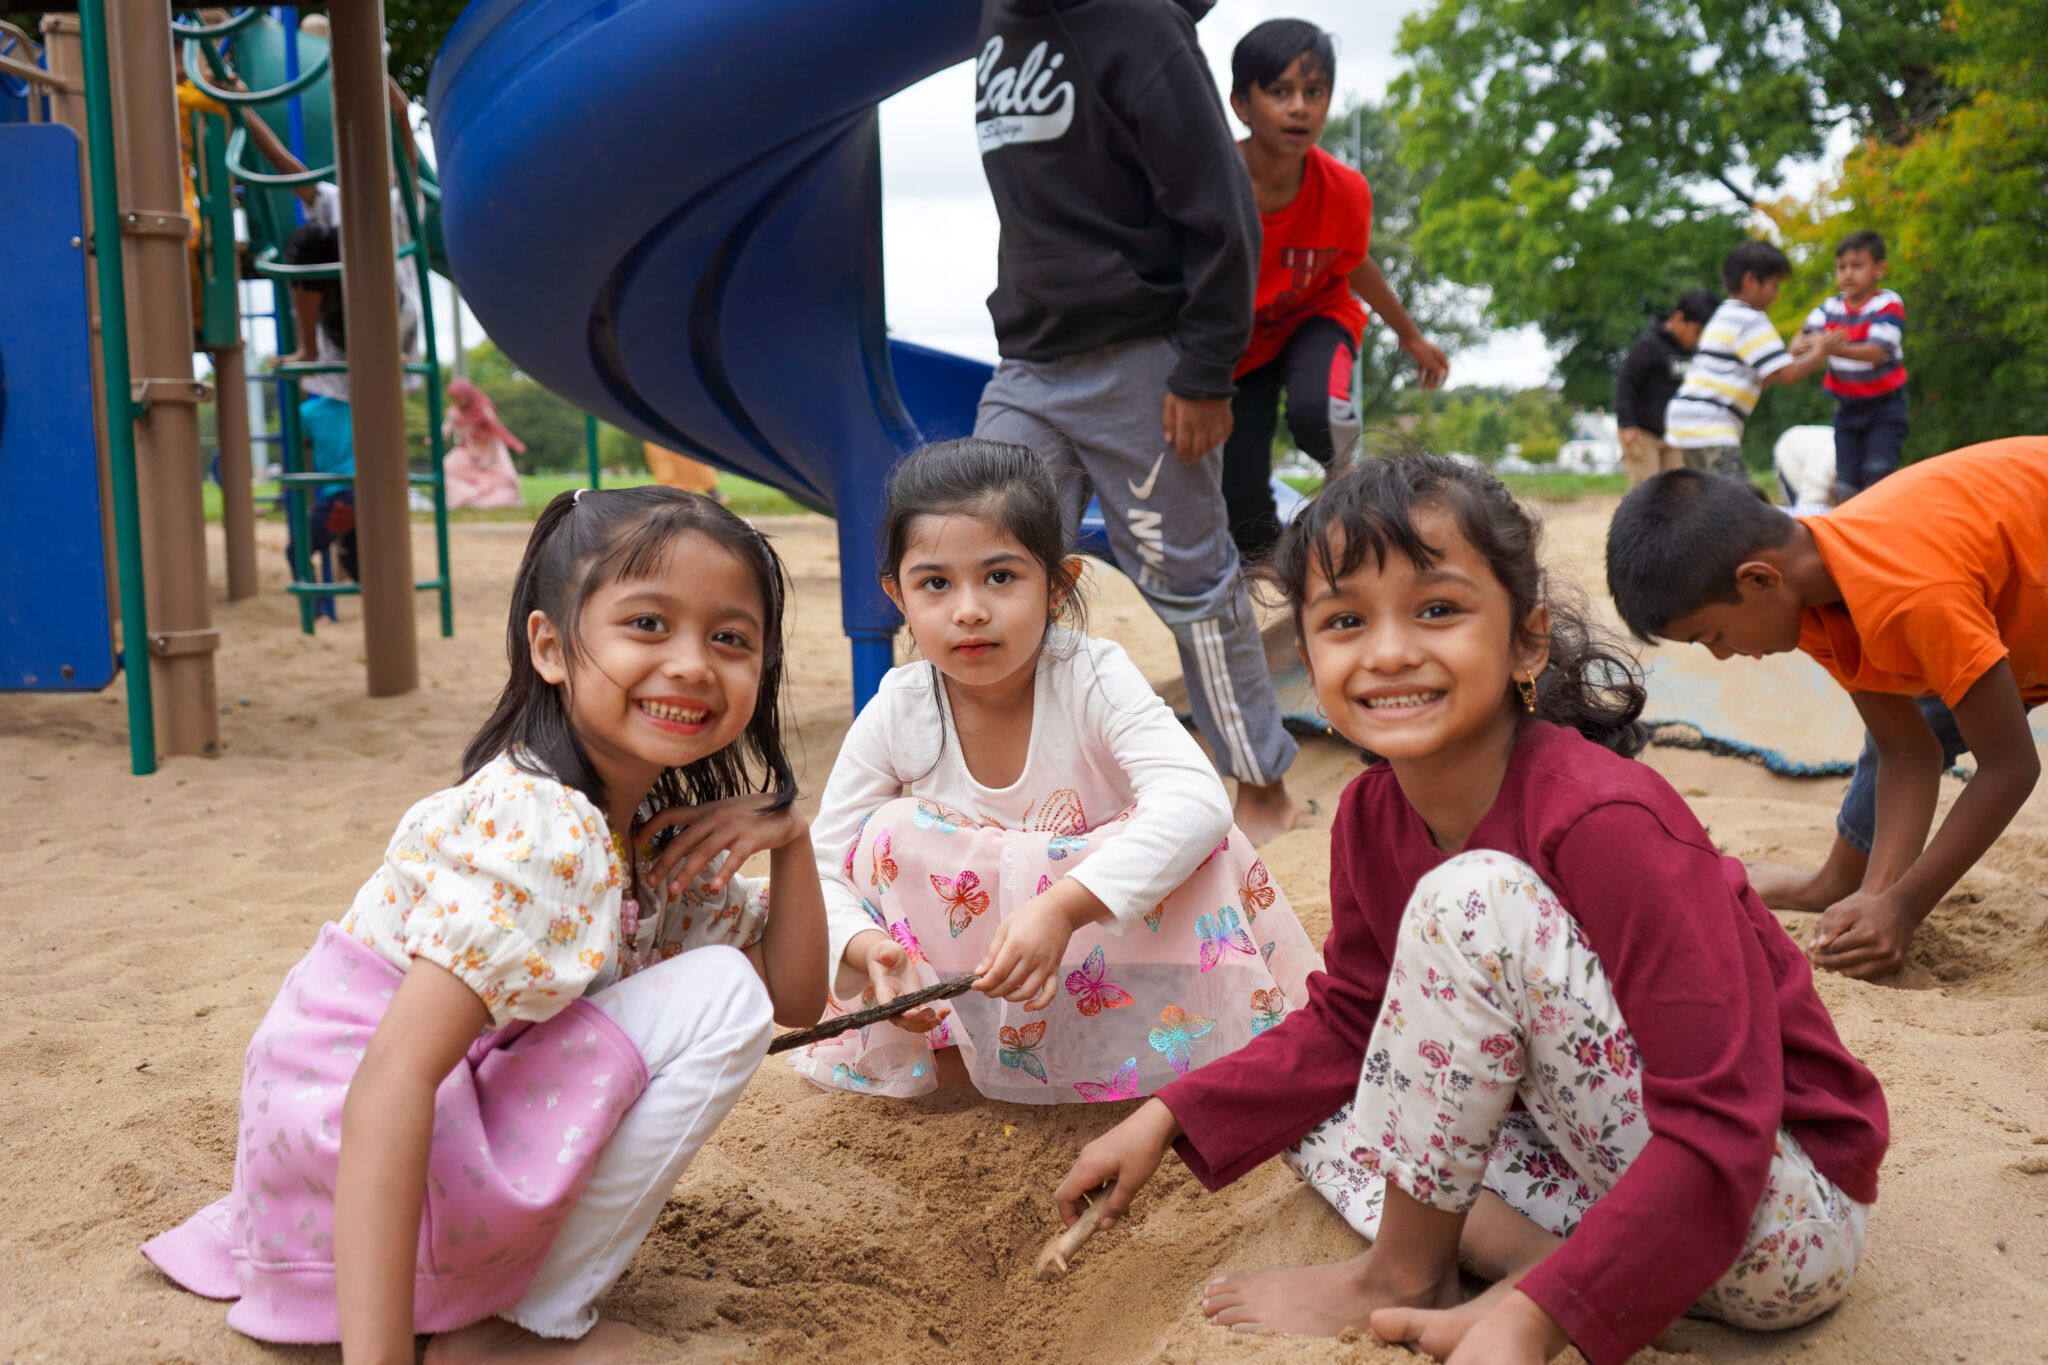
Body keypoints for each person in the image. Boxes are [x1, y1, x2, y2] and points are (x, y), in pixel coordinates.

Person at [1055, 455, 1887, 1363]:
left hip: (1769, 1219)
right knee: (1311, 1107)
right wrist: (1166, 1115)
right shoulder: (1372, 815)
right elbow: (1352, 1023)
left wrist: (1533, 1330)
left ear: (1527, 641)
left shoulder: (1604, 818)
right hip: (1600, 1166)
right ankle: (1557, 1267)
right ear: (1307, 649)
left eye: (1438, 609)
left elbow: (1723, 1121)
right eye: (1343, 620)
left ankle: (1434, 1277)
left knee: (1471, 900)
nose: (1389, 650)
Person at [141, 488, 829, 1362]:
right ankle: (504, 1329)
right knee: (720, 991)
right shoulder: (545, 825)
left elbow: (798, 995)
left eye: (731, 638)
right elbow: (393, 1074)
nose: (693, 663)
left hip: (341, 1164)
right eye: (648, 624)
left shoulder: (634, 822)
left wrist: (792, 832)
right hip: (365, 1156)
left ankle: (485, 1303)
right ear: (550, 646)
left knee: (731, 986)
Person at [789, 438, 1317, 1102]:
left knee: (1206, 839)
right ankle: (967, 1050)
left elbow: (1198, 800)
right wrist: (871, 952)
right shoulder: (900, 707)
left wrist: (1064, 907)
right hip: (980, 985)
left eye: (1001, 576)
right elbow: (822, 867)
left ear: (1059, 585)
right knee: (888, 832)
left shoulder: (1093, 674)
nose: (969, 609)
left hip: (1107, 970)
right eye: (935, 583)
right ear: (898, 596)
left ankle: (1126, 1046)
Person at [972, 0, 1300, 845]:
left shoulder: (1138, 26)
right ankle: (1012, 784)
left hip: (1142, 363)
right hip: (1027, 360)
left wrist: (1204, 372)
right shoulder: (997, 19)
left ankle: (1259, 780)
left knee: (1191, 582)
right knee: (979, 556)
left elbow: (1223, 211)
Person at [1605, 439, 2048, 979]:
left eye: (1713, 636)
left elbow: (2011, 767)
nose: (1722, 655)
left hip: (2009, 604)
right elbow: (1905, 751)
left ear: (1759, 580)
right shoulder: (1809, 595)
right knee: (1923, 713)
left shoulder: (1912, 594)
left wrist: (1906, 907)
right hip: (2010, 622)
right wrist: (1876, 902)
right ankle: (1846, 887)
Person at [1217, 19, 1449, 558]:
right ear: (1242, 105)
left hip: (1314, 319)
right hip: (1237, 349)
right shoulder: (1213, 183)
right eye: (1280, 92)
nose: (1299, 107)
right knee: (1240, 500)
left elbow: (1356, 264)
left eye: (1314, 92)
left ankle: (1344, 488)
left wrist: (1411, 338)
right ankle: (1275, 569)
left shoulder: (1344, 190)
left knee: (1317, 409)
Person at [1665, 241, 1845, 480]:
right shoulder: (1751, 318)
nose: (1777, 293)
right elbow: (1789, 376)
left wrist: (1789, 357)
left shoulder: (1724, 314)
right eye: (1774, 284)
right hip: (1710, 425)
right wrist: (1820, 351)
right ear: (1750, 281)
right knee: (1737, 504)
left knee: (1705, 502)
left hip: (1684, 421)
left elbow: (1765, 377)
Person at [1795, 231, 1908, 502]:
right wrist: (1809, 344)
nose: (1848, 274)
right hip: (1845, 409)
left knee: (1878, 475)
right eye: (1841, 267)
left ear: (1879, 268)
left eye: (1857, 266)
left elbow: (1876, 353)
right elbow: (1798, 341)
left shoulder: (1888, 304)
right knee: (1846, 483)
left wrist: (1828, 346)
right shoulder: (1829, 307)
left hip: (1885, 408)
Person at [1613, 288, 1716, 485]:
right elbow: (1625, 381)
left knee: (1678, 492)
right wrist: (1627, 423)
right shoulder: (1649, 345)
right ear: (1679, 319)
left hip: (1674, 435)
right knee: (1647, 492)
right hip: (1642, 434)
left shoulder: (1695, 353)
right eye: (1697, 332)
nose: (1698, 340)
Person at [441, 377, 527, 509]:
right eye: (453, 398)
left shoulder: (484, 410)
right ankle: (465, 497)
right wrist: (435, 439)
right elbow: (446, 429)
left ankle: (493, 500)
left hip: (489, 451)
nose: (455, 402)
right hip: (467, 451)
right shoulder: (454, 412)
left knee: (506, 479)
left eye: (458, 398)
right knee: (446, 467)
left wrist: (514, 443)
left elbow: (498, 430)